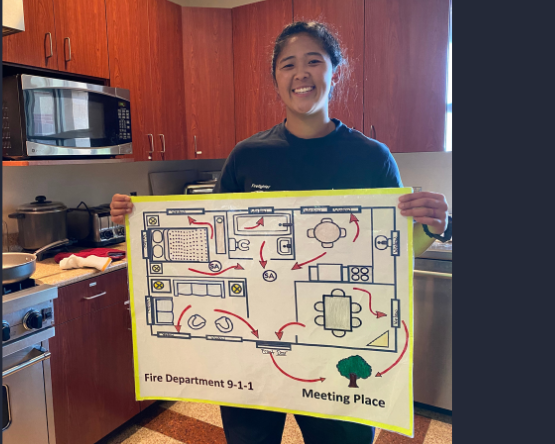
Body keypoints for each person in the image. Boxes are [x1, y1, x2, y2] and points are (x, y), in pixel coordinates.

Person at [111, 21, 450, 444]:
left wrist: (434, 225)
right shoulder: (248, 156)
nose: (301, 74)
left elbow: (393, 253)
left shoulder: (371, 158)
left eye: (314, 61)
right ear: (276, 80)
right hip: (253, 346)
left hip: (337, 348)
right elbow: (209, 241)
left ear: (334, 72)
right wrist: (136, 220)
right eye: (288, 64)